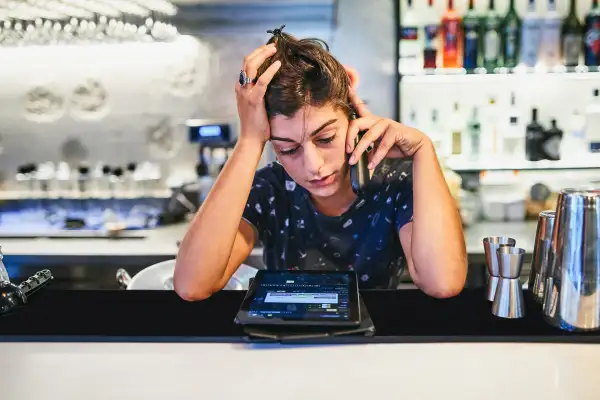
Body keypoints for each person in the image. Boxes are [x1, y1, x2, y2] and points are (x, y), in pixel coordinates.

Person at [174, 26, 467, 301]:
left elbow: (443, 283)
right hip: (284, 348)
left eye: (326, 138)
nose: (313, 165)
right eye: (288, 149)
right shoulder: (269, 188)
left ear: (354, 118)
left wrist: (423, 151)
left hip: (372, 349)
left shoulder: (394, 182)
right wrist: (249, 140)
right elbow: (192, 285)